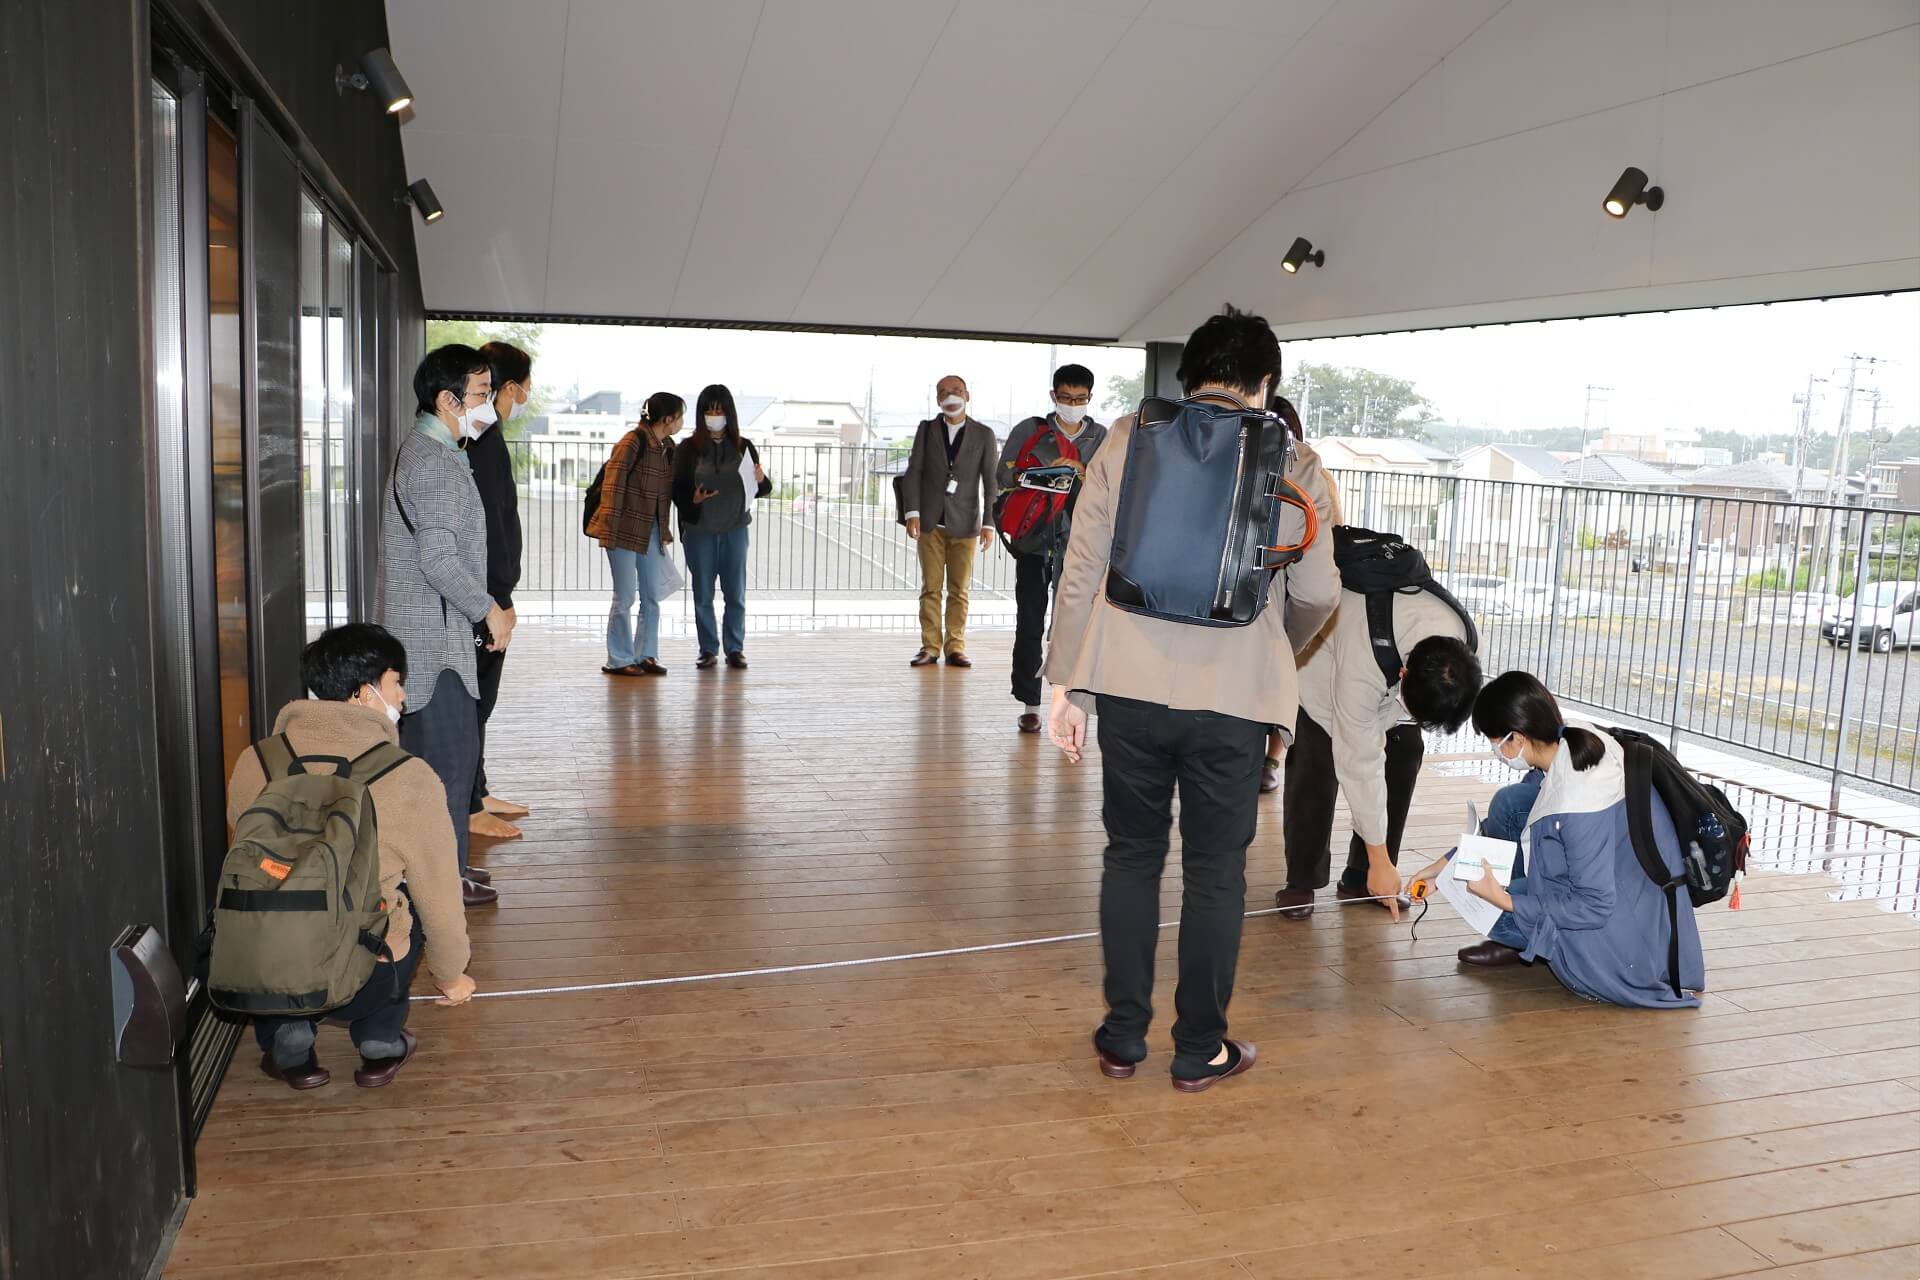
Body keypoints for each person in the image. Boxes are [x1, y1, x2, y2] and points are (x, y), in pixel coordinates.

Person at [1046, 305, 1339, 1091]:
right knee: (1216, 873)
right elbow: (1318, 589)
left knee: (1130, 858)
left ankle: (1121, 1037)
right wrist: (1277, 644)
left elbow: (1082, 566)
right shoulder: (1293, 460)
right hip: (1235, 697)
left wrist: (1063, 683)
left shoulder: (1128, 436)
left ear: (1188, 376)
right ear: (1265, 383)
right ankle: (1198, 1049)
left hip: (1130, 687)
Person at [228, 623, 477, 1090]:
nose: (403, 696)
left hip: (266, 964)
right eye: (397, 682)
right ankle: (380, 1040)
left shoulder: (256, 760)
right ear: (366, 694)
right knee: (409, 901)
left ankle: (288, 1034)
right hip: (363, 973)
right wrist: (451, 975)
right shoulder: (409, 777)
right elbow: (441, 896)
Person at [1407, 672, 1706, 1008]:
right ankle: (1516, 923)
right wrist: (1445, 865)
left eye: (1494, 740)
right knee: (1511, 804)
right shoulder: (1574, 739)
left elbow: (1593, 906)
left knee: (1485, 903)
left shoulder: (1577, 805)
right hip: (1635, 894)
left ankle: (1522, 938)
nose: (1495, 750)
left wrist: (1503, 899)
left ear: (1516, 738)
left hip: (1621, 946)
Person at [378, 343, 513, 907]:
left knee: (448, 765)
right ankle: (438, 882)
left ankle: (449, 868)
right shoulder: (432, 462)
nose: (489, 407)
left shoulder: (440, 452)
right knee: (447, 769)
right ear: (447, 399)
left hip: (441, 635)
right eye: (481, 396)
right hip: (433, 645)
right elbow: (437, 559)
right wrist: (488, 608)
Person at [1274, 574, 1482, 922]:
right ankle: (1302, 880)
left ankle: (1363, 876)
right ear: (1403, 675)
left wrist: (1380, 860)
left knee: (1404, 754)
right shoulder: (1363, 659)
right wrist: (1379, 856)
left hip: (1388, 679)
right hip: (1322, 669)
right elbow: (1359, 760)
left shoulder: (1459, 652)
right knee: (1316, 766)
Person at [998, 364, 1107, 734]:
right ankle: (1030, 703)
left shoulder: (1101, 438)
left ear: (1090, 398)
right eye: (1065, 398)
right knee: (1029, 622)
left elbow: (1113, 488)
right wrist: (1045, 475)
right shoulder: (1031, 431)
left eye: (1080, 399)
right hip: (1034, 542)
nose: (1072, 405)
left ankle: (1070, 704)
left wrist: (1080, 471)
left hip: (1081, 546)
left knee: (1073, 626)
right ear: (1053, 396)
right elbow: (1005, 476)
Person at [466, 340, 533, 841]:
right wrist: (499, 600)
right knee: (475, 698)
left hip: (490, 590)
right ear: (508, 387)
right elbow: (489, 523)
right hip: (484, 596)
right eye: (523, 388)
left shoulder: (486, 436)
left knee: (481, 697)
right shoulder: (482, 439)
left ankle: (478, 790)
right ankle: (468, 806)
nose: (522, 397)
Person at [1261, 395, 1340, 791]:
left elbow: (1332, 534)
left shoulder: (1313, 473)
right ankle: (1266, 758)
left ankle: (1271, 757)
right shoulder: (1310, 472)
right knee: (1281, 677)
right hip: (1284, 596)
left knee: (1282, 680)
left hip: (1289, 593)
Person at [672, 383, 772, 670]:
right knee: (703, 593)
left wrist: (761, 478)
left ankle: (735, 648)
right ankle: (708, 649)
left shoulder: (744, 446)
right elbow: (676, 490)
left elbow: (762, 488)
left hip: (735, 530)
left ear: (729, 413)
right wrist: (693, 499)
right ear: (701, 414)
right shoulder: (687, 449)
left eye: (720, 409)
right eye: (709, 410)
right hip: (700, 531)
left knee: (735, 594)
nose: (714, 415)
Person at [902, 374, 998, 668]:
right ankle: (929, 647)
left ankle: (955, 647)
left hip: (967, 523)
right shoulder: (927, 429)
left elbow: (991, 481)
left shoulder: (984, 434)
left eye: (955, 390)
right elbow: (914, 470)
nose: (950, 396)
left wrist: (989, 523)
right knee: (930, 588)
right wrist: (912, 513)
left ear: (967, 395)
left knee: (959, 590)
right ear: (937, 400)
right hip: (930, 523)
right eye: (943, 392)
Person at [589, 391, 683, 676]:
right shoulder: (632, 442)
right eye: (680, 417)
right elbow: (613, 487)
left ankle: (646, 654)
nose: (681, 423)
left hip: (651, 530)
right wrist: (609, 529)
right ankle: (619, 658)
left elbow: (667, 492)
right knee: (626, 596)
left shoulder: (667, 447)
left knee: (652, 596)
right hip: (623, 530)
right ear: (668, 419)